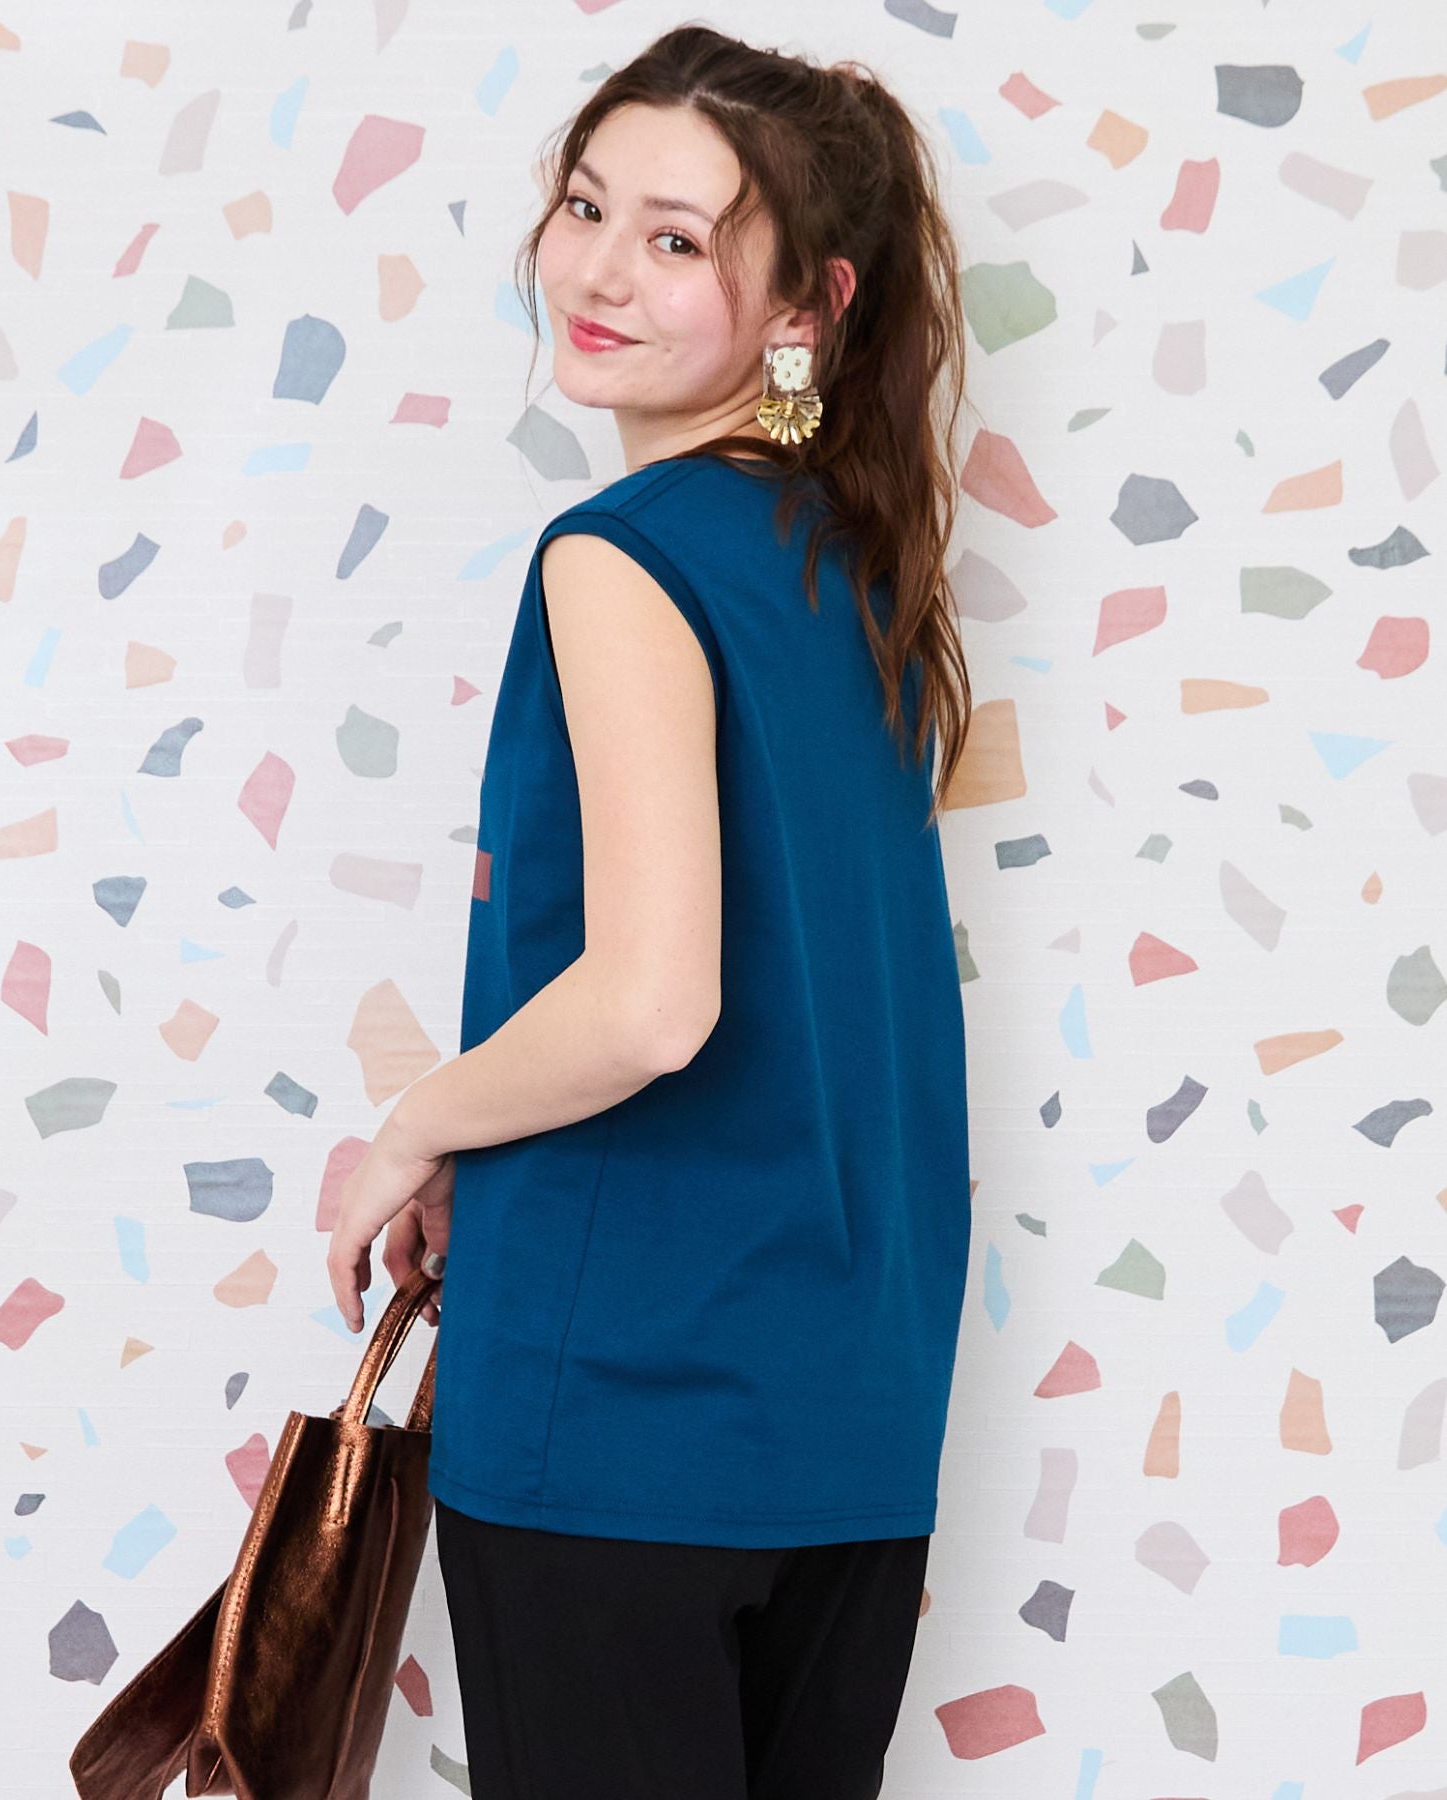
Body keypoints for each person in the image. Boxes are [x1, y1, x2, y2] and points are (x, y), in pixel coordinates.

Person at [327, 23, 974, 1799]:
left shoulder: (620, 556)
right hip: (849, 1418)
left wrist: (415, 1125)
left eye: (676, 238)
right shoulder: (859, 570)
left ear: (807, 311)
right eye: (588, 205)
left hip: (624, 1408)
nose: (598, 269)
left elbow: (652, 1003)